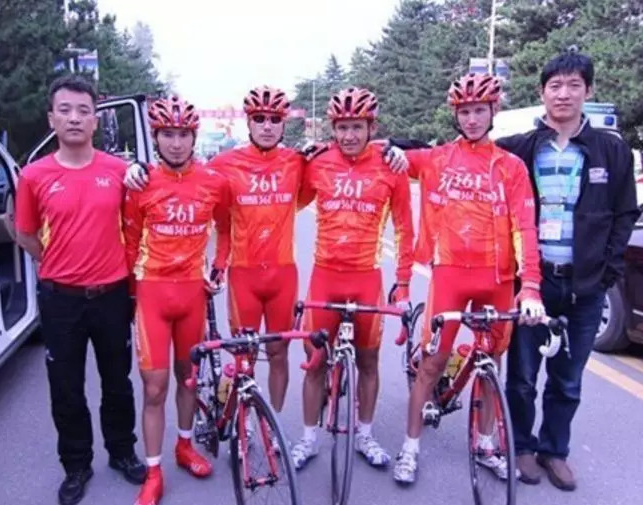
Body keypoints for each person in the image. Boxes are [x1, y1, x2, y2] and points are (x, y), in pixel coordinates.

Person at [124, 86, 408, 422]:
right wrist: (137, 168)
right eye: (259, 119)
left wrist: (390, 148)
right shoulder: (224, 164)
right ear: (248, 122)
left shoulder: (299, 161)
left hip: (283, 275)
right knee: (244, 357)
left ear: (284, 123)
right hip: (243, 275)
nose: (267, 126)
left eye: (274, 119)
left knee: (278, 354)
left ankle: (272, 427)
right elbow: (183, 170)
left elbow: (342, 151)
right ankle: (242, 425)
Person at [390, 73, 545, 485]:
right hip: (450, 276)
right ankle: (410, 447)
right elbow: (377, 152)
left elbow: (524, 227)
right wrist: (382, 148)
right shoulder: (436, 158)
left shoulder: (511, 167)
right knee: (432, 363)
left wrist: (530, 286)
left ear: (494, 111)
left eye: (479, 110)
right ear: (455, 115)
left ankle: (486, 443)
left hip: (497, 279)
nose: (472, 119)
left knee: (492, 362)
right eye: (464, 112)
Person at [496, 49, 638, 491]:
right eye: (555, 85)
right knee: (522, 377)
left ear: (588, 91)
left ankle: (554, 451)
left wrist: (607, 271)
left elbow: (625, 214)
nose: (564, 94)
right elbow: (463, 153)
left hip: (584, 287)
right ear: (542, 92)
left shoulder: (611, 150)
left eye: (574, 85)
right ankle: (521, 445)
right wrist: (395, 150)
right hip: (531, 284)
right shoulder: (520, 148)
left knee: (568, 379)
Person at [14, 75, 145, 505]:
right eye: (65, 110)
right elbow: (25, 234)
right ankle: (76, 465)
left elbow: (136, 227)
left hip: (112, 295)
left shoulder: (119, 172)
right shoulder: (34, 176)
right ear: (51, 118)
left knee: (117, 381)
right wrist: (57, 263)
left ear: (95, 120)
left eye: (83, 110)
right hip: (61, 300)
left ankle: (122, 451)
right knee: (66, 387)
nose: (74, 118)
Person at [290, 87, 414, 471]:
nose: (348, 135)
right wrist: (298, 161)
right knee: (315, 362)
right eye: (342, 127)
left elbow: (404, 229)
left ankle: (365, 434)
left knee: (369, 361)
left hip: (366, 280)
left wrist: (403, 284)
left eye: (357, 127)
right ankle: (308, 438)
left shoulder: (390, 166)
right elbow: (291, 203)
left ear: (371, 127)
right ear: (333, 128)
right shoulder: (318, 162)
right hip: (324, 278)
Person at [123, 96, 230, 505]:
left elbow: (226, 228)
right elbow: (129, 240)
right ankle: (153, 472)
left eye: (183, 134)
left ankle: (184, 447)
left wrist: (218, 267)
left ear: (193, 137)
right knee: (155, 388)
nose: (176, 142)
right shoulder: (141, 183)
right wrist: (130, 295)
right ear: (155, 137)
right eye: (167, 133)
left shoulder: (213, 182)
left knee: (189, 378)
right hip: (152, 293)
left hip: (191, 294)